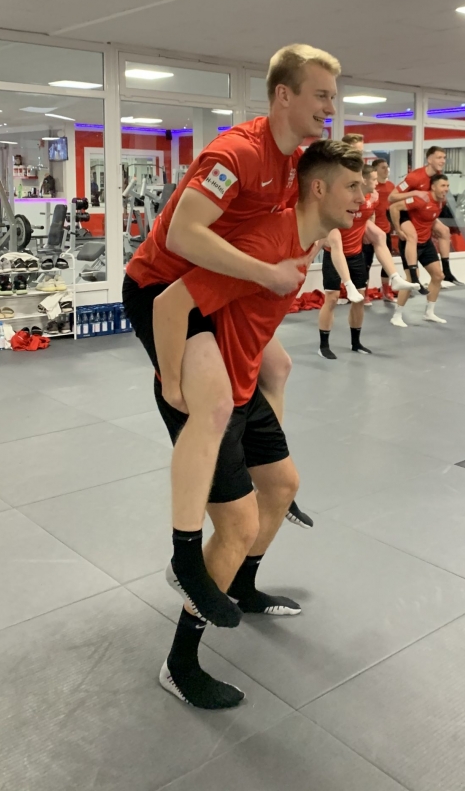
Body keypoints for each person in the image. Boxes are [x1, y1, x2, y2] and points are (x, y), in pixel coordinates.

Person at [122, 44, 340, 629]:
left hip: (214, 288)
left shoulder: (295, 163)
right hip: (163, 287)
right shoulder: (237, 153)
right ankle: (186, 556)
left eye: (333, 96)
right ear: (283, 95)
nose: (330, 106)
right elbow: (184, 235)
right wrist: (265, 273)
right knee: (215, 404)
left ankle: (266, 475)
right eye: (321, 94)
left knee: (278, 367)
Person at [151, 140, 366, 710]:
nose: (363, 198)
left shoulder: (309, 238)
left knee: (282, 486)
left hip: (246, 387)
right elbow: (169, 305)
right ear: (317, 188)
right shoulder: (267, 243)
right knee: (238, 526)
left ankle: (241, 586)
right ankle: (180, 663)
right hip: (210, 397)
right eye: (352, 187)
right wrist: (171, 385)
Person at [319, 164, 418, 358]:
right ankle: (324, 345)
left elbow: (368, 215)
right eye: (373, 179)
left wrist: (367, 229)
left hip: (355, 253)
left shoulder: (373, 198)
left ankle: (394, 277)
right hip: (335, 251)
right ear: (362, 181)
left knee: (380, 237)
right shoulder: (344, 200)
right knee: (331, 298)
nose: (377, 182)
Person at [388, 146, 462, 288]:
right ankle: (414, 275)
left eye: (444, 158)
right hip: (402, 210)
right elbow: (392, 197)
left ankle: (447, 271)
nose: (443, 161)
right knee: (413, 236)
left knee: (445, 231)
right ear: (429, 159)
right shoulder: (415, 177)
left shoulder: (437, 176)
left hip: (419, 210)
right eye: (439, 157)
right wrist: (415, 193)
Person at [391, 173, 452, 327]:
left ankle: (429, 313)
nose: (446, 189)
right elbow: (394, 207)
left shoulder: (442, 202)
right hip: (410, 243)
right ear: (433, 187)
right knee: (411, 280)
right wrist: (398, 229)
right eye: (443, 186)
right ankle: (397, 315)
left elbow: (429, 218)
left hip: (426, 242)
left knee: (438, 276)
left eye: (447, 186)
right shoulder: (421, 199)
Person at [368, 157, 397, 301]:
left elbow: (394, 207)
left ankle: (386, 291)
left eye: (387, 167)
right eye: (383, 167)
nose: (386, 170)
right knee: (366, 263)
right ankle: (363, 293)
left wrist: (395, 225)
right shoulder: (371, 187)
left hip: (385, 230)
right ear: (375, 170)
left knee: (387, 261)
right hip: (370, 230)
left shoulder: (391, 186)